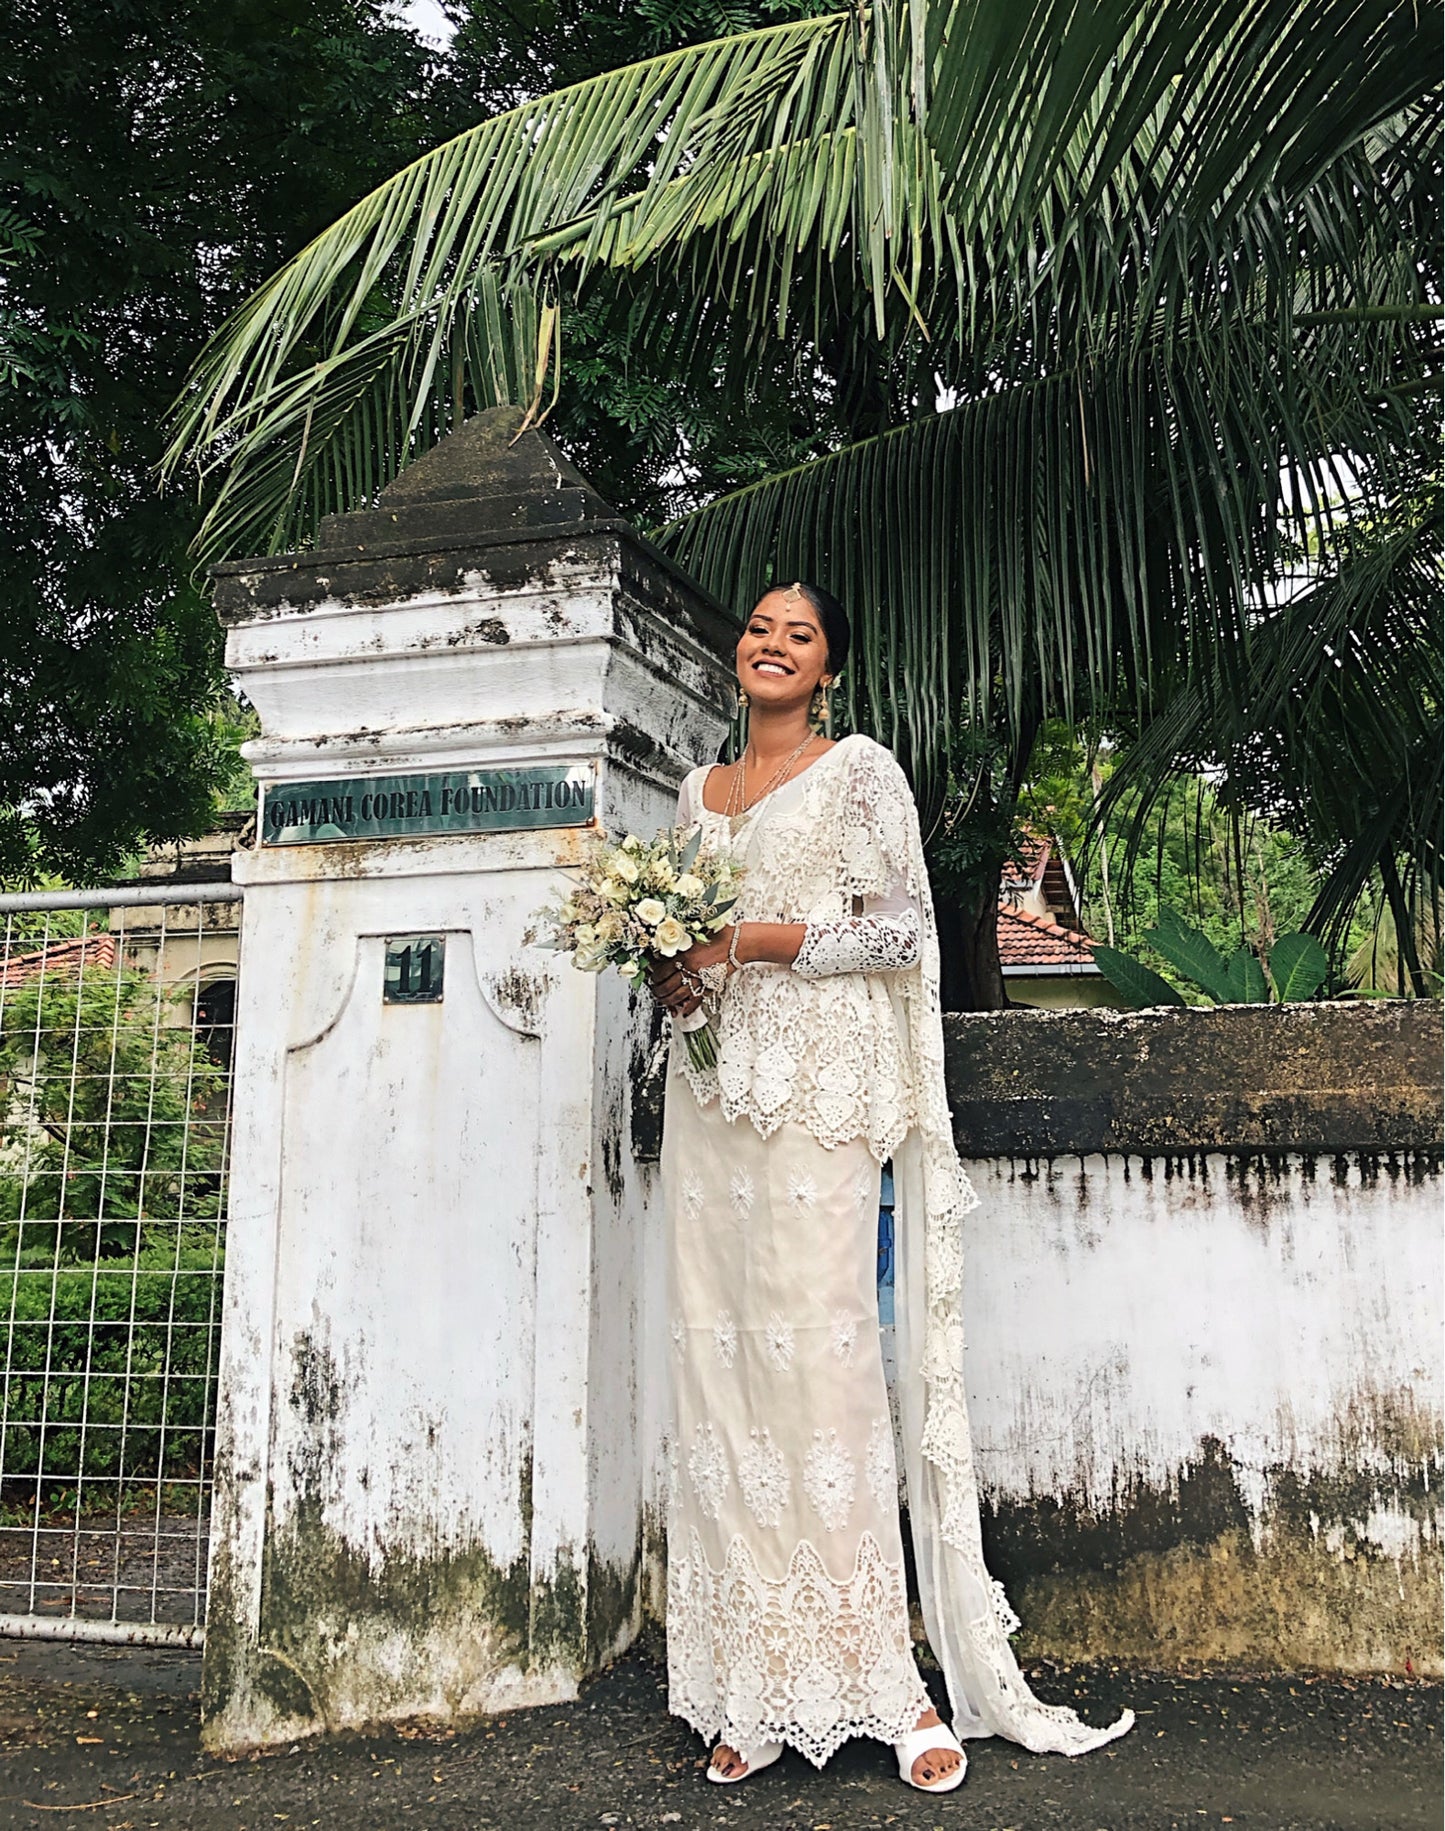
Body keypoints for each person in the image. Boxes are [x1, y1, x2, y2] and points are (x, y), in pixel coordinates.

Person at [649, 582, 1134, 1791]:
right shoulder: (691, 797)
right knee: (720, 1379)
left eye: (797, 635)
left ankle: (887, 1681)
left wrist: (748, 940)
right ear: (738, 654)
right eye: (759, 628)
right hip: (709, 1109)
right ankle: (750, 1686)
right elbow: (679, 944)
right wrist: (671, 972)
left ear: (826, 670)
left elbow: (900, 934)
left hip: (818, 1101)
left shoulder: (858, 770)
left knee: (821, 1376)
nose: (771, 644)